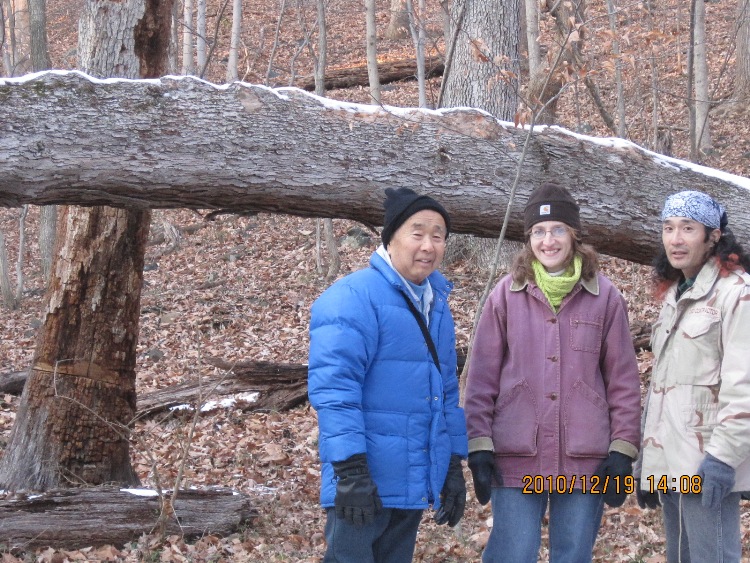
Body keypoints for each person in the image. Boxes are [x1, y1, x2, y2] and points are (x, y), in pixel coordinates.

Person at [464, 182, 642, 563]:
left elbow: (623, 381)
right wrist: (479, 444)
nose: (549, 240)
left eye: (558, 229)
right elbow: (481, 376)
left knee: (573, 554)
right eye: (539, 232)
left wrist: (623, 451)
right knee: (513, 553)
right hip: (516, 454)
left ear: (574, 235)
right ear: (529, 239)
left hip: (584, 460)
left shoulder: (604, 296)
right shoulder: (506, 295)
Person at [307, 187, 468, 563]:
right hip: (362, 484)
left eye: (438, 235)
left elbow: (445, 393)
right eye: (417, 233)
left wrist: (451, 467)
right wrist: (350, 472)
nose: (428, 245)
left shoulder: (436, 305)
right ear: (390, 237)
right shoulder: (352, 297)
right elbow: (335, 390)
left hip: (411, 480)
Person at [636, 190, 750, 562]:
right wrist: (648, 466)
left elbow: (743, 387)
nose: (676, 239)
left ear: (713, 235)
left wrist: (721, 460)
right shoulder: (676, 296)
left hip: (707, 465)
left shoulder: (736, 294)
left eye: (688, 228)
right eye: (668, 228)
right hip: (671, 463)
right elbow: (665, 389)